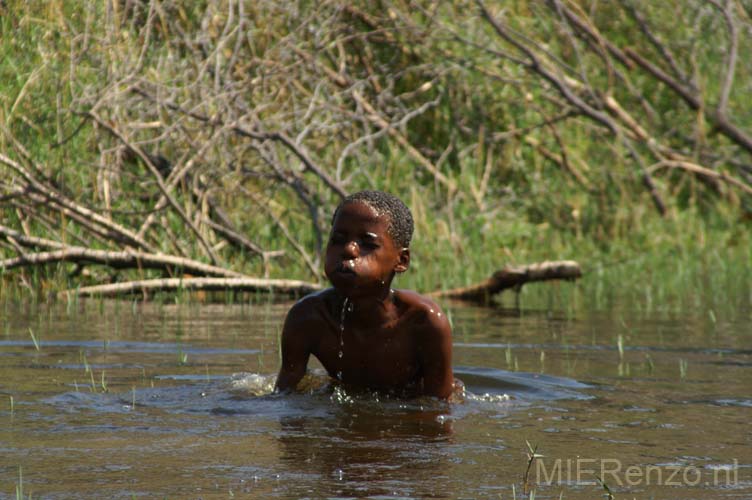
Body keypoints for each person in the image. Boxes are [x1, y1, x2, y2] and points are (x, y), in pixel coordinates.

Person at [275, 190, 454, 399]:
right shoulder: (308, 318)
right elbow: (283, 400)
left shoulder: (423, 322)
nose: (349, 250)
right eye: (338, 240)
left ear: (402, 260)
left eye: (367, 244)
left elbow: (440, 412)